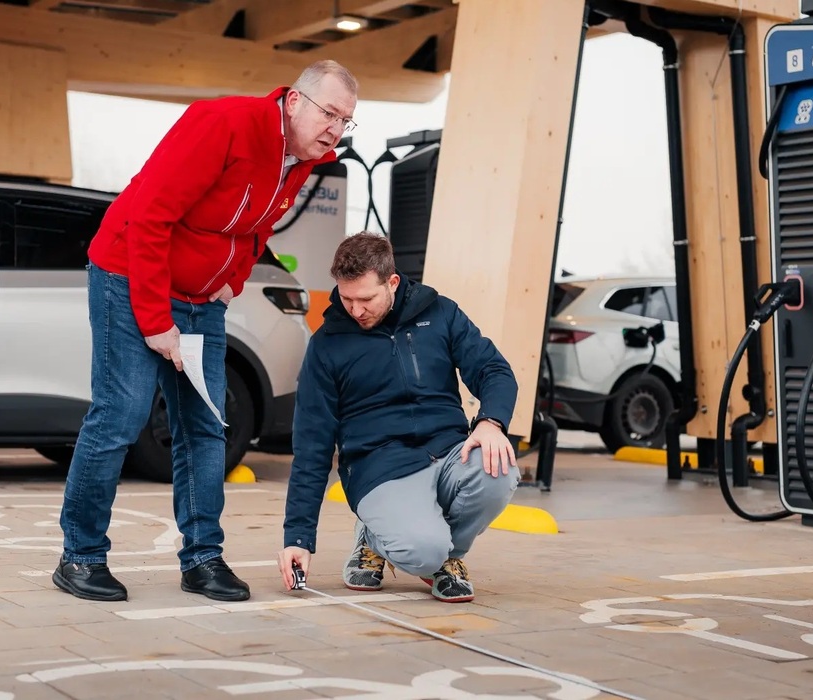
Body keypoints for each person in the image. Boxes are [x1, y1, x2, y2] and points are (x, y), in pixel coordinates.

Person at [53, 60, 360, 603]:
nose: (335, 129)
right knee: (121, 415)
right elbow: (148, 217)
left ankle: (202, 559)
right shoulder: (221, 124)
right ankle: (80, 556)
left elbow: (257, 224)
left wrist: (232, 281)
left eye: (346, 120)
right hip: (129, 277)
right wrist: (156, 322)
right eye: (329, 113)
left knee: (204, 428)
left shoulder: (302, 159)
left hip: (202, 301)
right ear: (293, 101)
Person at [277, 232, 521, 603]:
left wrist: (491, 422)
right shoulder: (328, 344)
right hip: (379, 468)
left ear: (392, 282)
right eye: (346, 298)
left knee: (499, 470)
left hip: (448, 450)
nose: (355, 310)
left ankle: (448, 557)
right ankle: (376, 536)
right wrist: (297, 537)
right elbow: (312, 443)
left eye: (366, 299)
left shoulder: (440, 314)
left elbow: (494, 369)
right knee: (422, 551)